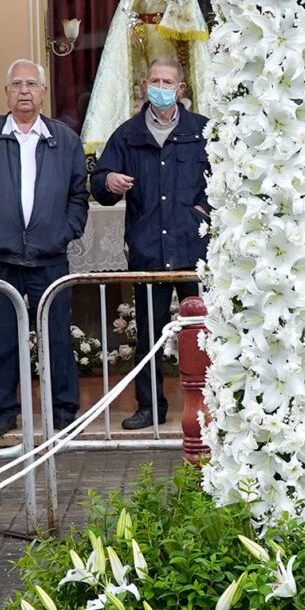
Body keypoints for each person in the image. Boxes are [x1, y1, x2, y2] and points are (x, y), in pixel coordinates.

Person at [0, 59, 88, 440]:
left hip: (49, 257)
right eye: (17, 84)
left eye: (32, 84)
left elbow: (78, 194)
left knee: (57, 336)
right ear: (6, 93)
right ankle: (3, 411)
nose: (25, 91)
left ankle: (63, 409)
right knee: (1, 338)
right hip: (1, 256)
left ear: (44, 92)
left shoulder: (64, 139)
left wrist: (66, 231)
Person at [91, 58, 210, 431]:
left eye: (167, 82)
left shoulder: (202, 131)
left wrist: (203, 211)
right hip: (148, 251)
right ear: (145, 86)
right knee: (149, 334)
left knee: (205, 332)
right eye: (154, 81)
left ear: (181, 89)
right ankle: (150, 407)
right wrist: (108, 181)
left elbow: (227, 178)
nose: (160, 87)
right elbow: (99, 183)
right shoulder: (127, 134)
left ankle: (212, 405)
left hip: (193, 251)